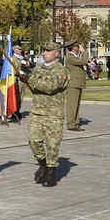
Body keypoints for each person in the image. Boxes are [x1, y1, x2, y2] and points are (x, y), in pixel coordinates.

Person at [22, 43, 70, 187]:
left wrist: (29, 79)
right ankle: (42, 164)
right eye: (44, 50)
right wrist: (25, 79)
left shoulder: (61, 70)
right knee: (33, 141)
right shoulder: (38, 69)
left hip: (54, 114)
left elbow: (50, 87)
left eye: (48, 51)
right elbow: (34, 88)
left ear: (56, 53)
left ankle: (51, 171)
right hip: (37, 111)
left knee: (52, 145)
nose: (44, 53)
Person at [64, 42, 88, 131]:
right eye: (78, 46)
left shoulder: (75, 56)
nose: (79, 48)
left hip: (77, 83)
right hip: (73, 84)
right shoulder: (70, 57)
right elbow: (83, 62)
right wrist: (84, 52)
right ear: (73, 48)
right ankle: (71, 124)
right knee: (72, 105)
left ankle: (75, 123)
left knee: (76, 104)